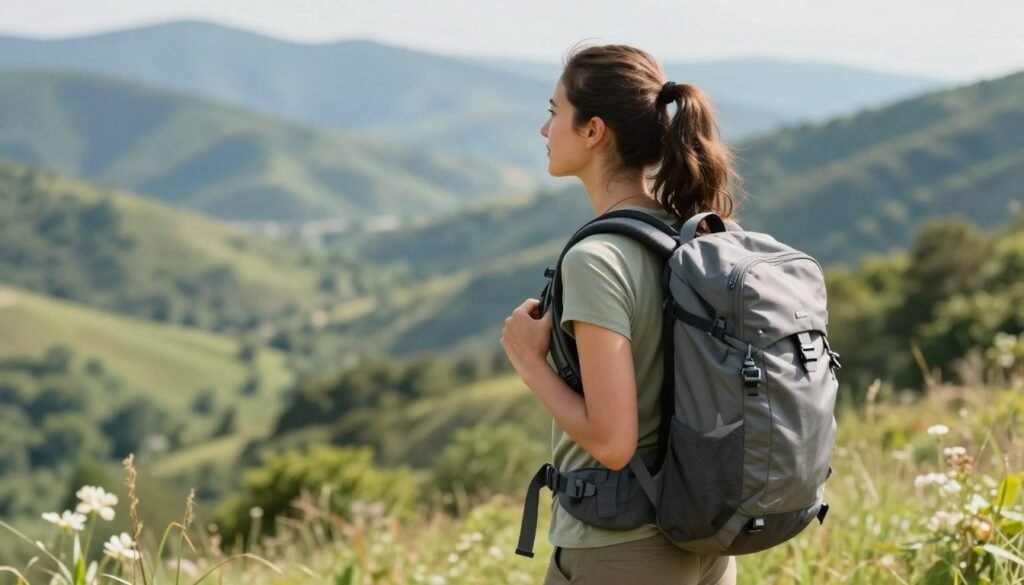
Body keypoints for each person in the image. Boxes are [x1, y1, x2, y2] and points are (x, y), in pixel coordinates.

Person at [499, 43, 743, 584]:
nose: (544, 129)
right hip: (706, 539)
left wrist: (529, 362)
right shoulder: (691, 236)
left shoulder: (597, 259)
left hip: (620, 550)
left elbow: (612, 443)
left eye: (554, 111)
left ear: (593, 130)